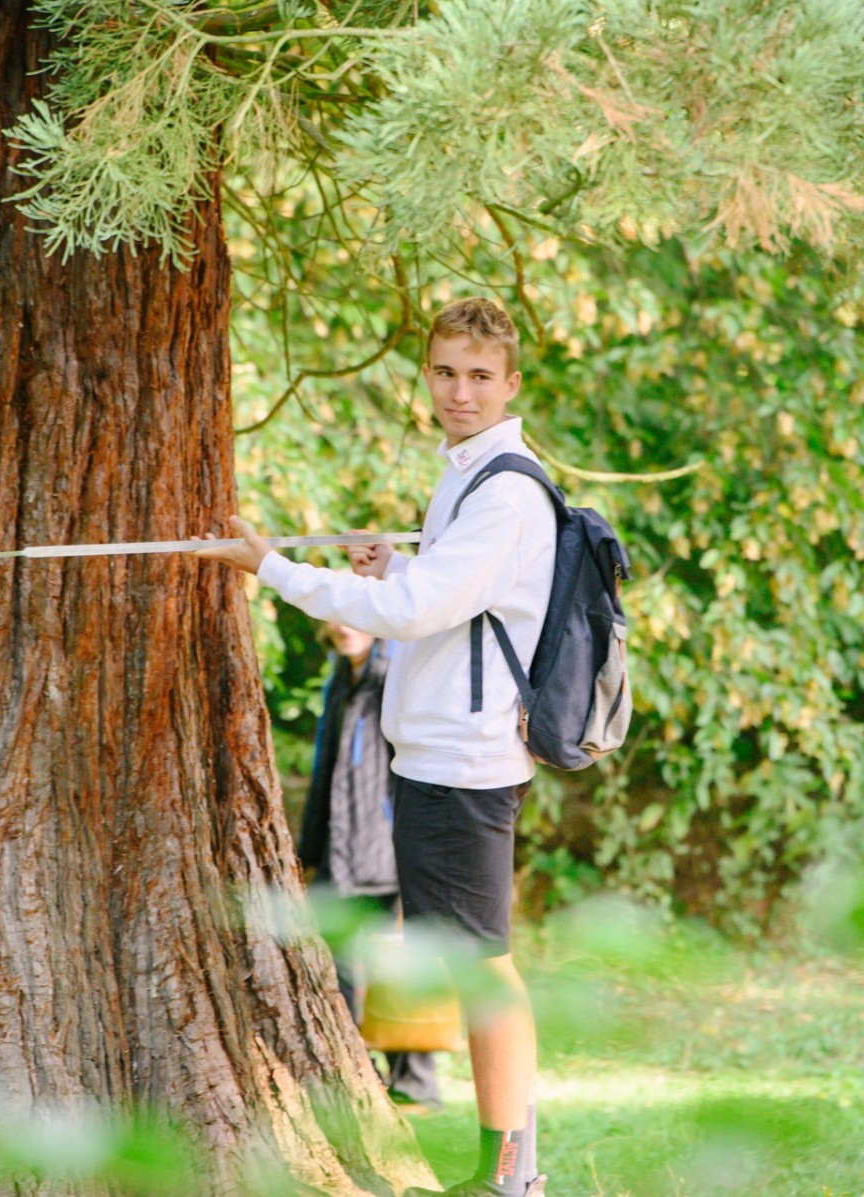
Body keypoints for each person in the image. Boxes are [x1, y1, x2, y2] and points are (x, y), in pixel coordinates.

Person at [197, 297, 552, 1197]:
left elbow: (412, 615)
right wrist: (395, 566)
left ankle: (513, 1175)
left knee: (484, 968)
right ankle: (503, 1166)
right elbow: (441, 597)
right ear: (427, 374)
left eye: (479, 376)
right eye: (445, 372)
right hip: (433, 758)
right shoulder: (466, 474)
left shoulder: (506, 488)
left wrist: (272, 569)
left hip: (464, 764)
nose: (459, 391)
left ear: (511, 384)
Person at [298, 618, 442, 1113]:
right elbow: (328, 776)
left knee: (398, 963)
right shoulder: (340, 677)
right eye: (334, 616)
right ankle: (359, 1067)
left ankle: (417, 1084)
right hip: (341, 853)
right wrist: (308, 853)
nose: (342, 625)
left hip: (388, 848)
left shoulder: (390, 675)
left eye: (353, 615)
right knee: (325, 958)